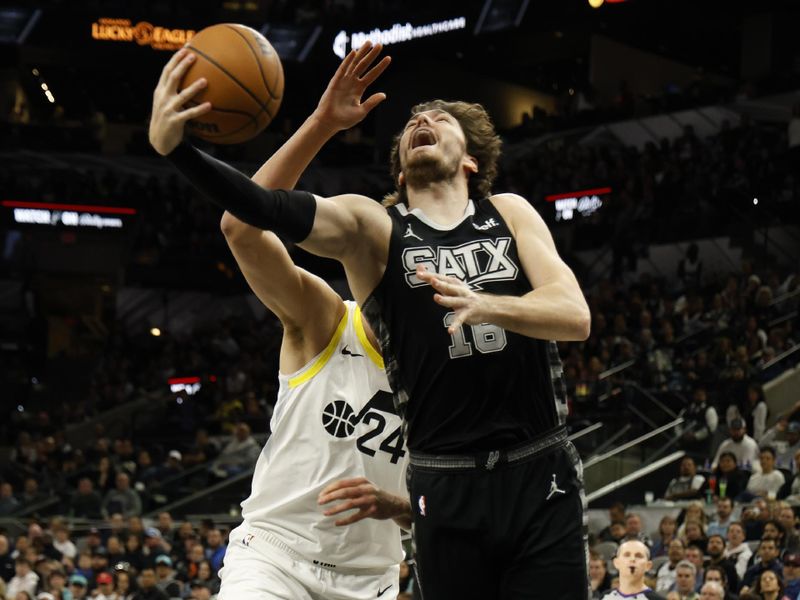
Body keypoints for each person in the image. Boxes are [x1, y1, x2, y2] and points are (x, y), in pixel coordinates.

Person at [150, 36, 591, 598]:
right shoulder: (364, 252)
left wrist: (486, 304)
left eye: (439, 118)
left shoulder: (508, 213)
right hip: (287, 552)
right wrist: (180, 152)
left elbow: (575, 315)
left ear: (473, 160)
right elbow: (255, 214)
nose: (421, 120)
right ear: (400, 178)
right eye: (410, 122)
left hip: (448, 525)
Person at [153, 44, 412, 599]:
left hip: (372, 579)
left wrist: (403, 507)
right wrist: (321, 124)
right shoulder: (323, 318)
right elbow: (241, 229)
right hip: (275, 557)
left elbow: (454, 502)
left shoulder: (447, 361)